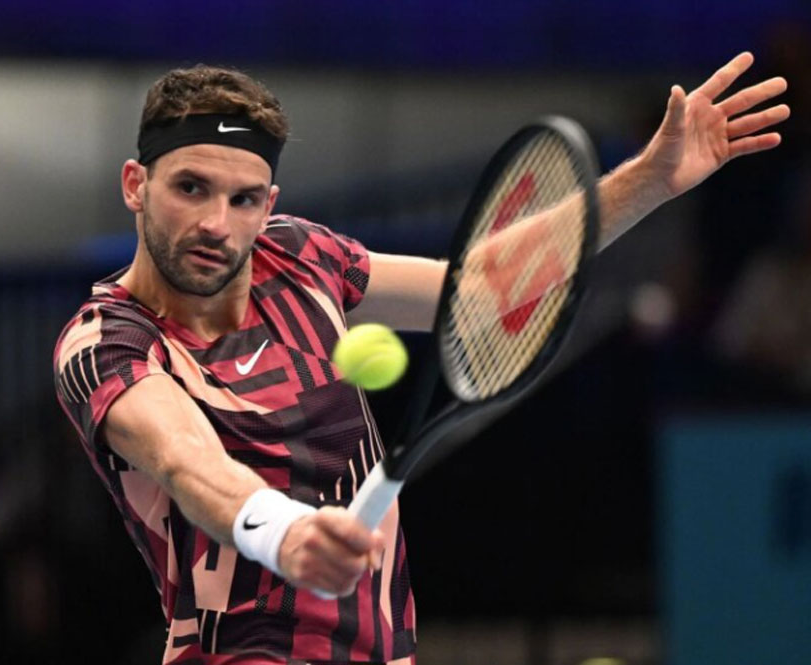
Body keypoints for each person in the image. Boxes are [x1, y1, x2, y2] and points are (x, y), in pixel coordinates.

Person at [53, 54, 788, 664]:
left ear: (268, 202)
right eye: (191, 189)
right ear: (136, 185)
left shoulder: (301, 259)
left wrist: (650, 178)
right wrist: (284, 533)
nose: (218, 223)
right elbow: (187, 461)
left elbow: (484, 289)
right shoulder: (107, 341)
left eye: (243, 199)